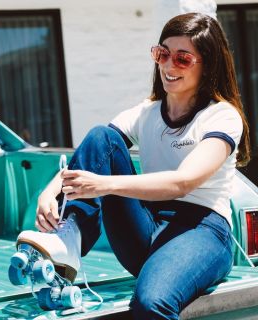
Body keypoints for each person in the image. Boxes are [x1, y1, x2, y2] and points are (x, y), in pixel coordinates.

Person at [18, 12, 251, 319]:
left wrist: (104, 185)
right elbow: (98, 150)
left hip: (202, 231)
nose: (168, 66)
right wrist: (51, 190)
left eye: (182, 59)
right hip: (147, 228)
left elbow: (183, 182)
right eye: (163, 54)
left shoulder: (221, 116)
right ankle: (71, 237)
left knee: (150, 303)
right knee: (102, 135)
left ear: (207, 65)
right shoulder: (148, 112)